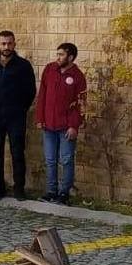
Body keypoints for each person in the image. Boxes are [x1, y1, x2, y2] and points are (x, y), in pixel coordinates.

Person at [0, 30, 36, 202]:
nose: (6, 47)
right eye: (3, 43)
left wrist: (21, 109)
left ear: (14, 44)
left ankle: (19, 188)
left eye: (9, 43)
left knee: (17, 153)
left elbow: (30, 92)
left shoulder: (23, 66)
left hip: (16, 117)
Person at [36, 42, 86, 204]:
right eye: (57, 54)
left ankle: (64, 193)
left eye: (61, 55)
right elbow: (42, 95)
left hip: (66, 126)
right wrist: (39, 118)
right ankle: (51, 191)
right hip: (48, 125)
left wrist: (74, 125)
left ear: (70, 57)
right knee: (50, 160)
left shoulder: (78, 76)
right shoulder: (50, 70)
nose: (58, 57)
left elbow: (81, 103)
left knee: (66, 159)